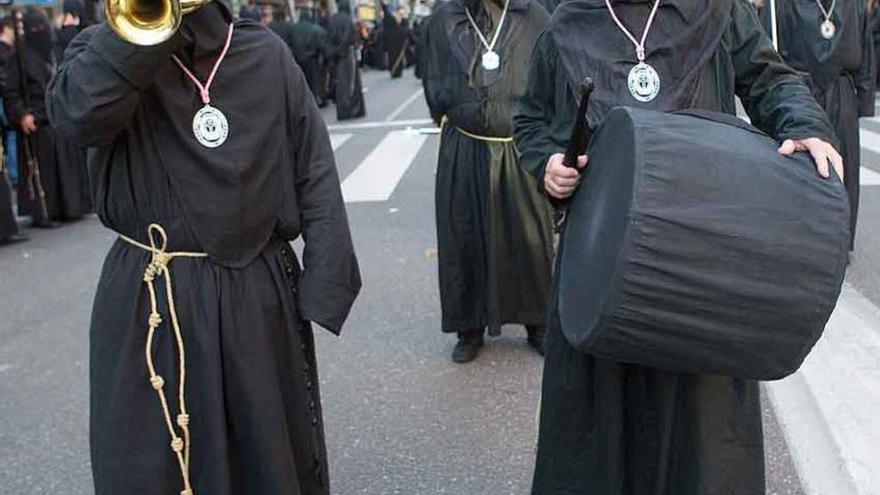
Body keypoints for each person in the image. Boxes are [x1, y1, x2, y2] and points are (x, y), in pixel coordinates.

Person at [514, 0, 841, 493]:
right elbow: (531, 121)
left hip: (698, 243)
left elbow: (770, 80)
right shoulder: (567, 22)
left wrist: (805, 127)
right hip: (601, 251)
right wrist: (548, 164)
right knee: (600, 423)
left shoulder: (717, 11)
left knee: (701, 426)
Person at [47, 0, 361, 493]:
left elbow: (313, 169)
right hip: (152, 297)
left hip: (256, 298)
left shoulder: (266, 53)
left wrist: (326, 281)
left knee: (265, 461)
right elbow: (76, 118)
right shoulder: (103, 50)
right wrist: (137, 39)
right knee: (155, 466)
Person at [423, 0, 553, 363]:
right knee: (465, 237)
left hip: (521, 145)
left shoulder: (535, 16)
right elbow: (431, 78)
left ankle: (538, 322)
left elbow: (552, 76)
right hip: (465, 144)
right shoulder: (444, 19)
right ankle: (469, 327)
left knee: (529, 238)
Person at [767, 0, 875, 253]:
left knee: (843, 165)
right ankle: (797, 237)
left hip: (841, 92)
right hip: (800, 91)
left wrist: (863, 100)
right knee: (798, 165)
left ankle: (840, 240)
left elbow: (866, 53)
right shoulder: (782, 4)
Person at [4, 8, 88, 226]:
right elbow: (11, 91)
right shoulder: (20, 56)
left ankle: (70, 206)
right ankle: (44, 212)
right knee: (44, 171)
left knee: (65, 165)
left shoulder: (52, 50)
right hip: (37, 120)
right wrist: (22, 114)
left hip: (57, 116)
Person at [327, 0, 366, 120]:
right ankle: (353, 109)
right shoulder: (348, 20)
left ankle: (343, 111)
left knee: (340, 83)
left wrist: (334, 52)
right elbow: (349, 37)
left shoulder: (333, 20)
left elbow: (329, 37)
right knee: (352, 83)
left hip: (337, 56)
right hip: (348, 54)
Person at [293, 10, 330, 106]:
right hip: (312, 58)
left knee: (301, 82)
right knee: (314, 82)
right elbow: (320, 45)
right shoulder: (315, 29)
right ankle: (316, 101)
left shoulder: (294, 28)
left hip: (298, 59)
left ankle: (304, 103)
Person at [380, 0, 410, 78]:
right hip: (391, 45)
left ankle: (398, 71)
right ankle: (393, 71)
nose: (399, 17)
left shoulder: (403, 24)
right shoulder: (391, 23)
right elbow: (386, 15)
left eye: (400, 15)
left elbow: (407, 32)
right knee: (392, 58)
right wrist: (384, 5)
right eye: (398, 14)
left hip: (400, 45)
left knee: (399, 59)